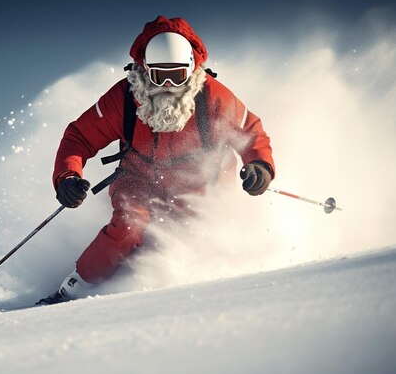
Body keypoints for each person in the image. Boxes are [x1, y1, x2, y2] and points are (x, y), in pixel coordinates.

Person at [37, 16, 275, 305]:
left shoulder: (212, 96)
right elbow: (79, 137)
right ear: (144, 69)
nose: (167, 86)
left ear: (191, 68)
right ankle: (72, 290)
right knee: (129, 224)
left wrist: (259, 167)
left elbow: (251, 133)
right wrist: (68, 177)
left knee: (193, 232)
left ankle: (189, 295)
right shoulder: (126, 98)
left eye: (176, 75)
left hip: (200, 184)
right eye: (158, 75)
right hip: (139, 179)